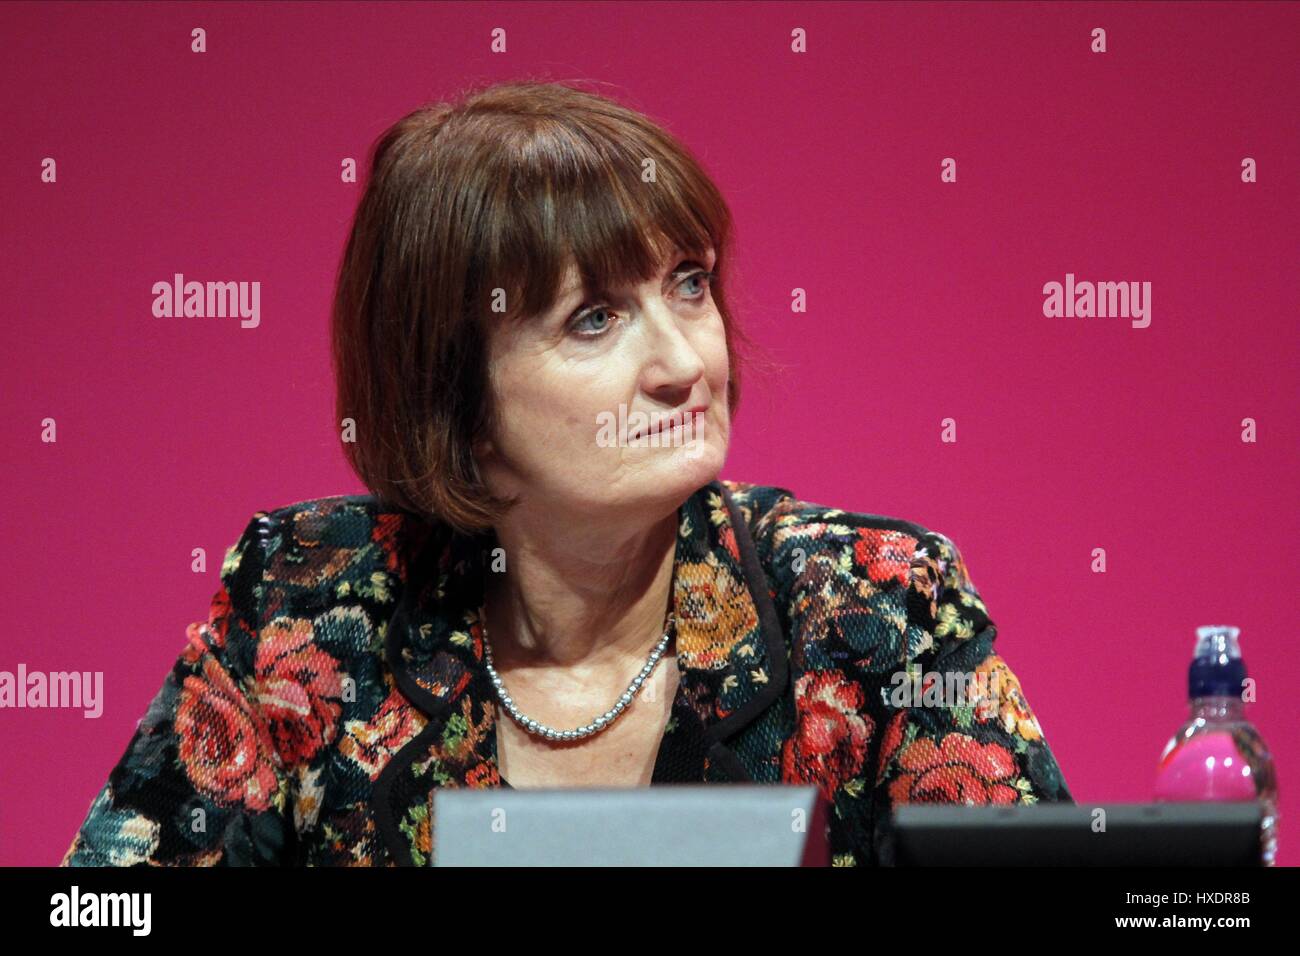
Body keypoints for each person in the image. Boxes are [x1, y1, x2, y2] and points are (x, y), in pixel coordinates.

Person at [60, 80, 1072, 867]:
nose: (685, 361)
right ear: (455, 397)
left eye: (689, 284)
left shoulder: (871, 603)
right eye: (593, 318)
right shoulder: (308, 604)